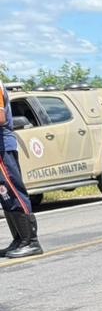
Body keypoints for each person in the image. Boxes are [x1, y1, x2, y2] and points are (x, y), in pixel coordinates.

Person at [0, 81, 41, 259]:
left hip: (2, 146)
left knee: (14, 191)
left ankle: (31, 241)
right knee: (5, 195)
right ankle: (19, 239)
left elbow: (1, 118)